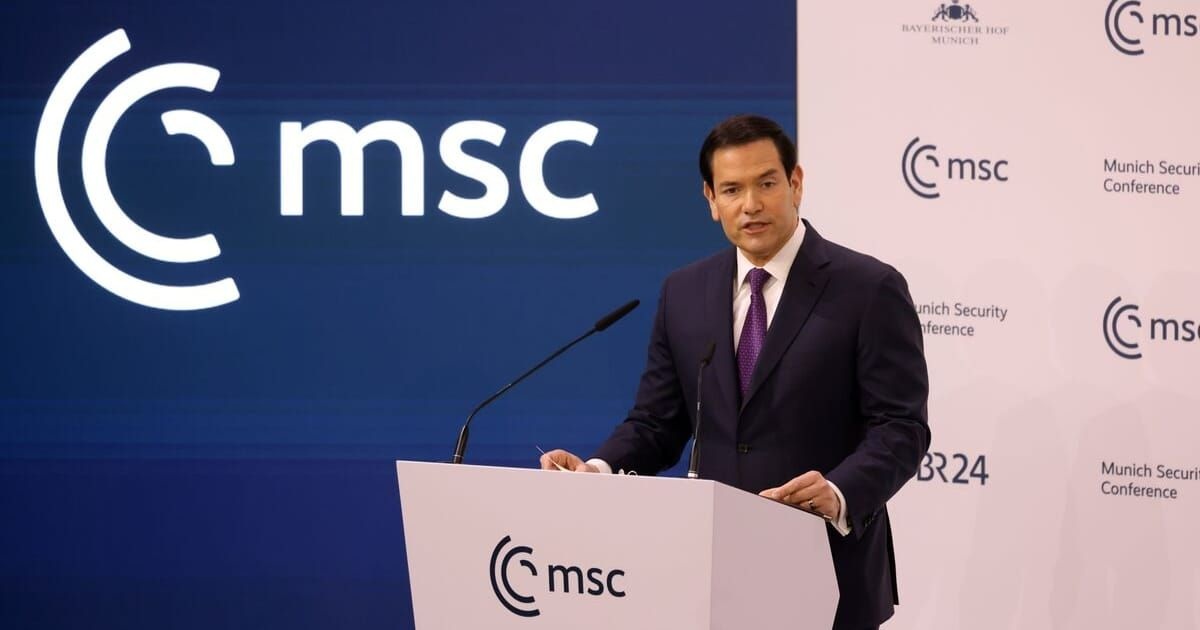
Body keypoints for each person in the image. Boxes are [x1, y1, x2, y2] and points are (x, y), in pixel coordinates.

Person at [540, 114, 930, 630]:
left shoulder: (868, 288)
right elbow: (657, 422)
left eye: (766, 183)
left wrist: (839, 492)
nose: (751, 204)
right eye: (732, 189)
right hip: (711, 572)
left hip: (828, 570)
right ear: (711, 199)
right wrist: (599, 470)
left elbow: (901, 428)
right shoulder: (685, 292)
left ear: (795, 183)